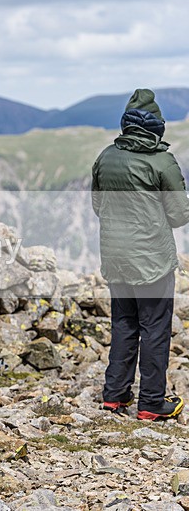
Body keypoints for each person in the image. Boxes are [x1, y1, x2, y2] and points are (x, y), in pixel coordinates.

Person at [92, 88, 189, 421]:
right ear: (157, 125)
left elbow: (98, 206)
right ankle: (150, 403)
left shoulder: (106, 157)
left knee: (122, 325)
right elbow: (178, 214)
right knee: (155, 329)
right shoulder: (161, 161)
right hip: (152, 262)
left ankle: (114, 397)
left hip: (115, 259)